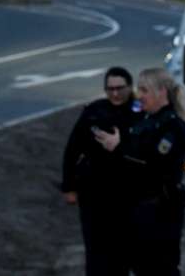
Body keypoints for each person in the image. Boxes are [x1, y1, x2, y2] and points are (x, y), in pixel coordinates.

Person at [94, 67, 185, 276]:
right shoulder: (145, 121)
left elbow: (153, 162)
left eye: (145, 90)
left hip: (160, 209)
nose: (140, 95)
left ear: (162, 92)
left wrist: (119, 147)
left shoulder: (172, 126)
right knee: (139, 265)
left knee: (159, 267)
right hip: (139, 207)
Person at [62, 66, 143, 276]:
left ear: (129, 87)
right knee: (95, 248)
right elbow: (72, 149)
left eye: (119, 88)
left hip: (126, 193)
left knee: (122, 251)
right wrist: (69, 186)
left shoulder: (141, 112)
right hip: (94, 191)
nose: (115, 93)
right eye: (110, 89)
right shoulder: (95, 111)